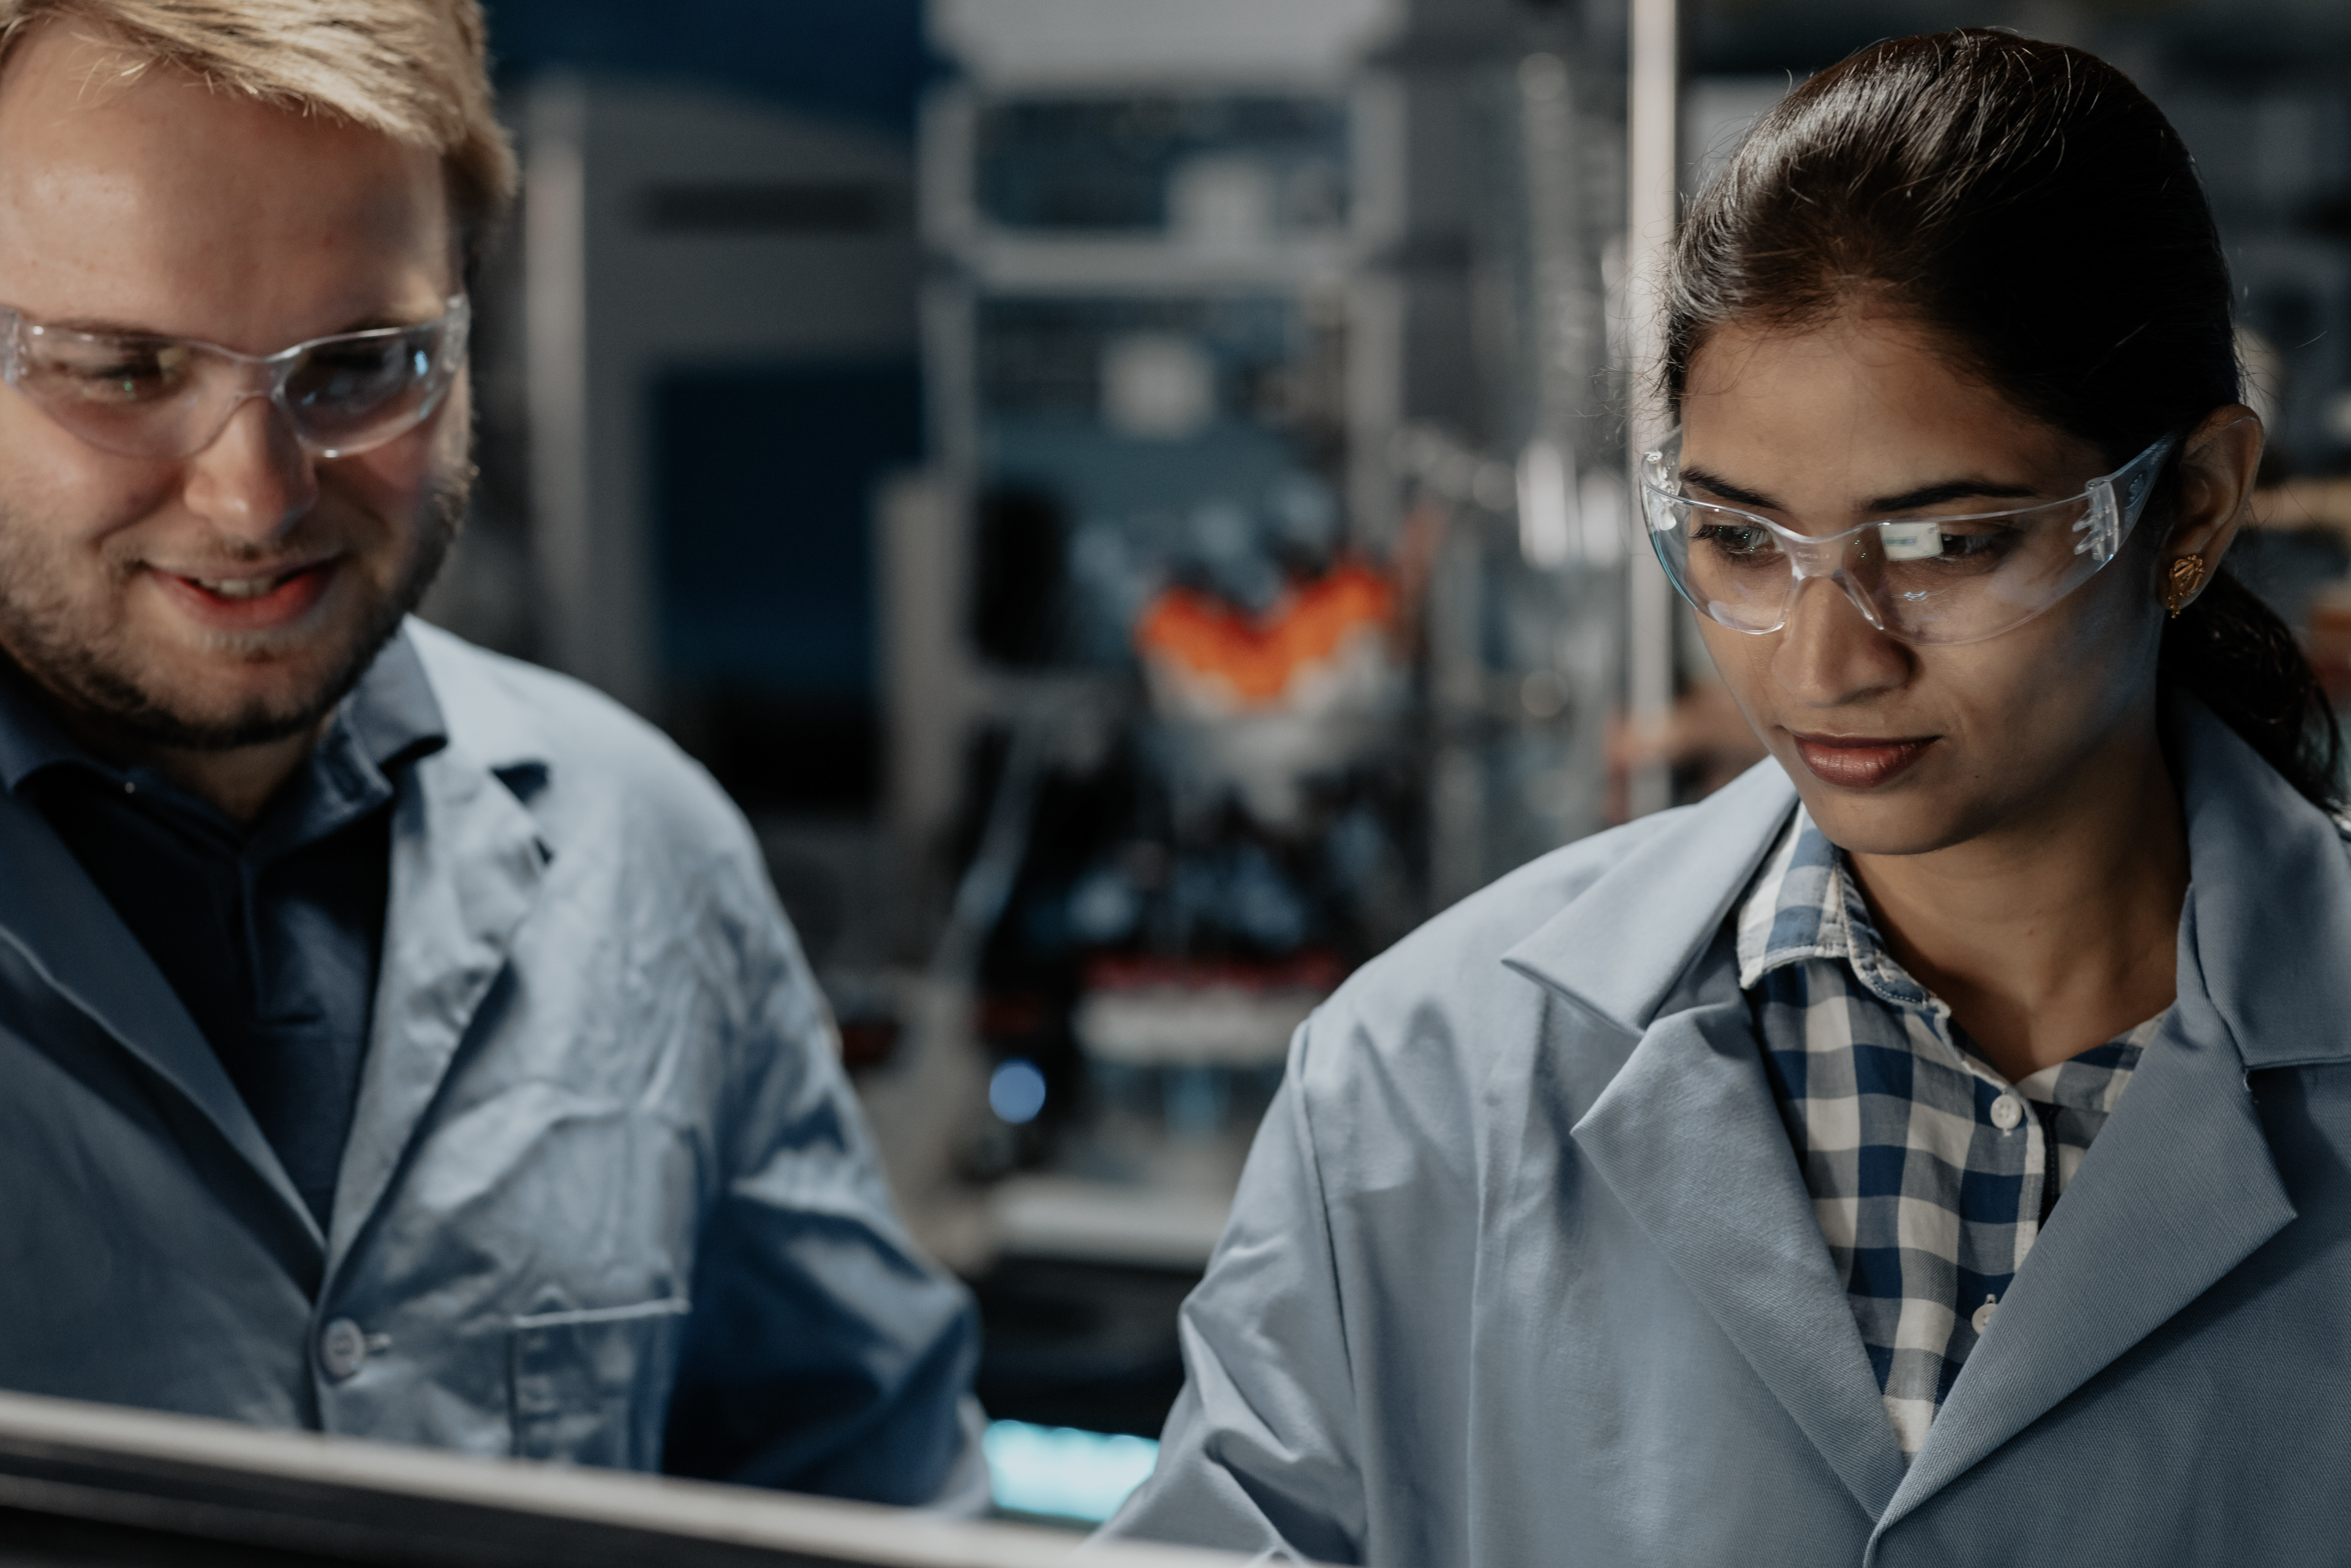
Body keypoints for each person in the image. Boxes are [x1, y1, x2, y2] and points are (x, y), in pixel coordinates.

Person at [1105, 29, 2351, 1565]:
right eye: (1740, 540)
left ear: (2194, 507)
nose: (1827, 661)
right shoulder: (1430, 1084)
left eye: (1947, 542)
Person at [0, 0, 984, 1507]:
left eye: (358, 365)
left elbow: (866, 1495)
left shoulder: (639, 845)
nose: (256, 497)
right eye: (123, 370)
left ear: (468, 334)